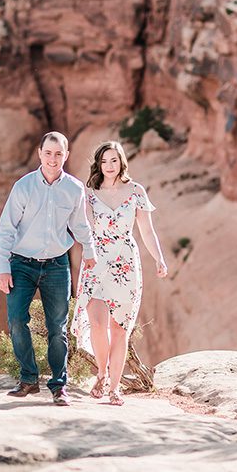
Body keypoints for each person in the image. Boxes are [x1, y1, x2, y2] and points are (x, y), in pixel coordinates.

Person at [0, 130, 95, 406]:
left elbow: (80, 225)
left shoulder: (74, 188)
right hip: (21, 264)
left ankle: (58, 386)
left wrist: (90, 252)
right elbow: (5, 229)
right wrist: (2, 267)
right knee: (16, 321)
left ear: (66, 156)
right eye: (48, 153)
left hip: (56, 266)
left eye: (59, 153)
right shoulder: (23, 187)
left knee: (58, 329)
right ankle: (28, 379)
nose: (53, 159)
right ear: (40, 154)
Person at [73, 140, 168, 406]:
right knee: (97, 325)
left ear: (121, 161)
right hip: (96, 261)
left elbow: (147, 231)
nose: (109, 166)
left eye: (113, 160)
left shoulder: (136, 191)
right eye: (104, 161)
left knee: (119, 329)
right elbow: (85, 229)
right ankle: (101, 373)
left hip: (126, 262)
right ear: (98, 164)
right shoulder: (89, 192)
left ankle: (115, 388)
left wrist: (159, 258)